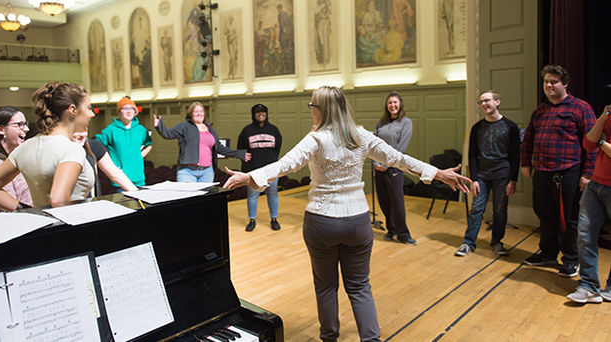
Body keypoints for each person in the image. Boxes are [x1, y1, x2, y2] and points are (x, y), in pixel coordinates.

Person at [222, 86, 470, 342]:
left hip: (321, 222)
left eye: (312, 107)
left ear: (321, 110)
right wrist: (439, 173)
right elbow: (399, 159)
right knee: (360, 287)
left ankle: (329, 337)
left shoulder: (316, 139)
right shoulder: (361, 136)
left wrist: (249, 176)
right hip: (357, 222)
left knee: (326, 286)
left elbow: (284, 165)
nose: (310, 111)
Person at [521, 65, 597, 277]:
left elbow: (592, 143)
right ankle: (547, 253)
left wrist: (588, 173)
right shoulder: (540, 110)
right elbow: (528, 138)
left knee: (568, 219)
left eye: (553, 82)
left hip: (568, 172)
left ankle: (571, 259)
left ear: (565, 84)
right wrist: (525, 163)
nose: (549, 85)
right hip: (542, 172)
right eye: (546, 82)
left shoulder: (580, 108)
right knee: (545, 215)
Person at [0, 82, 96, 209]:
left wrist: (28, 211)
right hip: (71, 225)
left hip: (44, 225)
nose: (92, 114)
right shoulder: (72, 149)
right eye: (89, 108)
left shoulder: (24, 148)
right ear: (72, 110)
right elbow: (58, 201)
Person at [455, 90, 520, 257]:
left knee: (500, 210)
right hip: (482, 176)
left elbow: (515, 156)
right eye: (481, 102)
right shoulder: (477, 128)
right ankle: (468, 243)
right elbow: (472, 155)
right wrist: (474, 179)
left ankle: (497, 242)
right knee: (476, 209)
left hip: (502, 176)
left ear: (497, 102)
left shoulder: (511, 127)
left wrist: (513, 180)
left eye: (487, 100)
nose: (484, 104)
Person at [566, 106, 611, 303]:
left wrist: (601, 142)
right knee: (585, 234)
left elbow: (598, 143)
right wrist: (602, 117)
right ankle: (588, 285)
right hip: (596, 184)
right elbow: (588, 143)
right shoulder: (608, 117)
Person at [153, 102, 250, 183]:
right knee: (187, 203)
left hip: (207, 172)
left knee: (203, 203)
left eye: (201, 111)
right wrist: (159, 125)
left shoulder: (210, 129)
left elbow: (219, 148)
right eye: (196, 111)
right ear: (191, 114)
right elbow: (168, 134)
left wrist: (239, 154)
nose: (199, 114)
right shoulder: (184, 127)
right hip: (187, 172)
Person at [372, 91, 416, 245]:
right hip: (378, 168)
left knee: (397, 202)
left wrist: (385, 164)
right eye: (390, 103)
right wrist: (375, 163)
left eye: (395, 102)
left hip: (394, 168)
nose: (392, 105)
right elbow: (374, 144)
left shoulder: (406, 122)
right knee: (384, 201)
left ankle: (403, 234)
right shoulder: (382, 122)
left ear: (400, 104)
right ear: (387, 105)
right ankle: (392, 230)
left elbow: (400, 148)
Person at [237, 104, 283, 232]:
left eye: (263, 112)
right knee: (252, 196)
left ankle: (274, 219)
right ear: (253, 114)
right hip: (253, 171)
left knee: (273, 195)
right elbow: (242, 150)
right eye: (257, 112)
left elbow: (277, 148)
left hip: (272, 169)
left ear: (266, 114)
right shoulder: (246, 131)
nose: (260, 114)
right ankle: (252, 220)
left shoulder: (274, 130)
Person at [96, 97, 152, 191]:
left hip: (139, 180)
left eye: (132, 108)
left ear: (135, 112)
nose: (129, 111)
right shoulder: (110, 130)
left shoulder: (141, 130)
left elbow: (149, 145)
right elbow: (97, 146)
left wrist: (139, 156)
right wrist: (109, 162)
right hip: (120, 182)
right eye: (125, 108)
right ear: (119, 112)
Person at [72, 131, 137, 196]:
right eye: (76, 131)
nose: (81, 135)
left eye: (84, 130)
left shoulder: (94, 146)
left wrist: (137, 193)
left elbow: (115, 174)